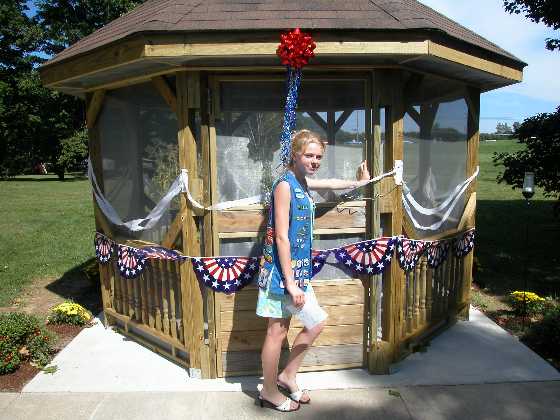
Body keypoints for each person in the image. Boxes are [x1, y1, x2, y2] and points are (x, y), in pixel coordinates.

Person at [256, 129, 371, 411]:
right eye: (309, 155)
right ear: (295, 154)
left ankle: (287, 376)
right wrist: (291, 283)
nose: (314, 161)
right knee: (276, 332)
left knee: (315, 322)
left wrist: (360, 182)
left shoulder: (302, 181)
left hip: (298, 273)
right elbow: (281, 236)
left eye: (318, 156)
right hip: (281, 275)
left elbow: (329, 182)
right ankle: (269, 391)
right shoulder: (285, 186)